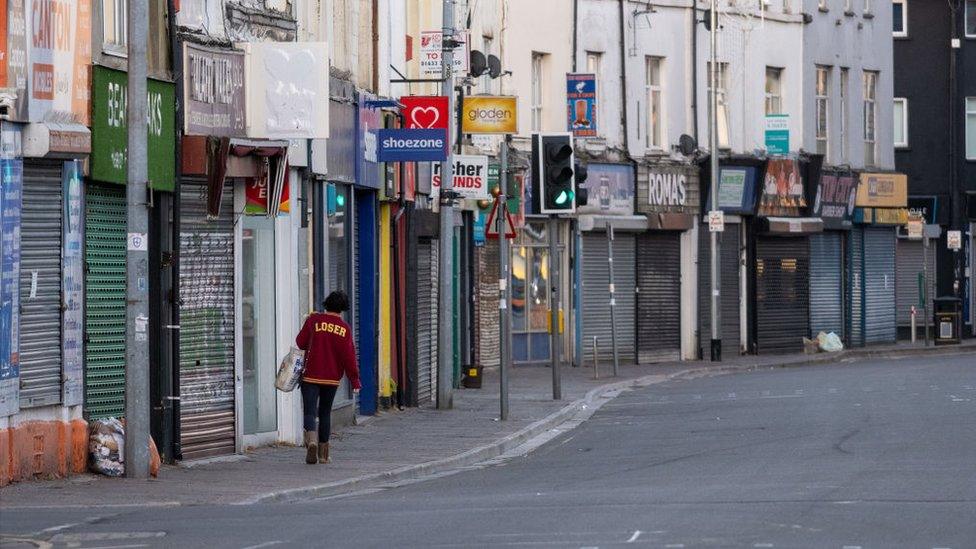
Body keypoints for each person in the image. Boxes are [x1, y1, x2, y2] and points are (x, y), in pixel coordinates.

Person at [295, 291, 360, 464]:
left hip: (310, 375)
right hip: (331, 378)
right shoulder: (344, 328)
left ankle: (312, 441)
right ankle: (323, 454)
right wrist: (355, 380)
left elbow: (300, 342)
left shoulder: (313, 321)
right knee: (325, 412)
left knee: (309, 411)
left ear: (326, 303)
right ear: (343, 308)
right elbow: (349, 357)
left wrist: (306, 324)